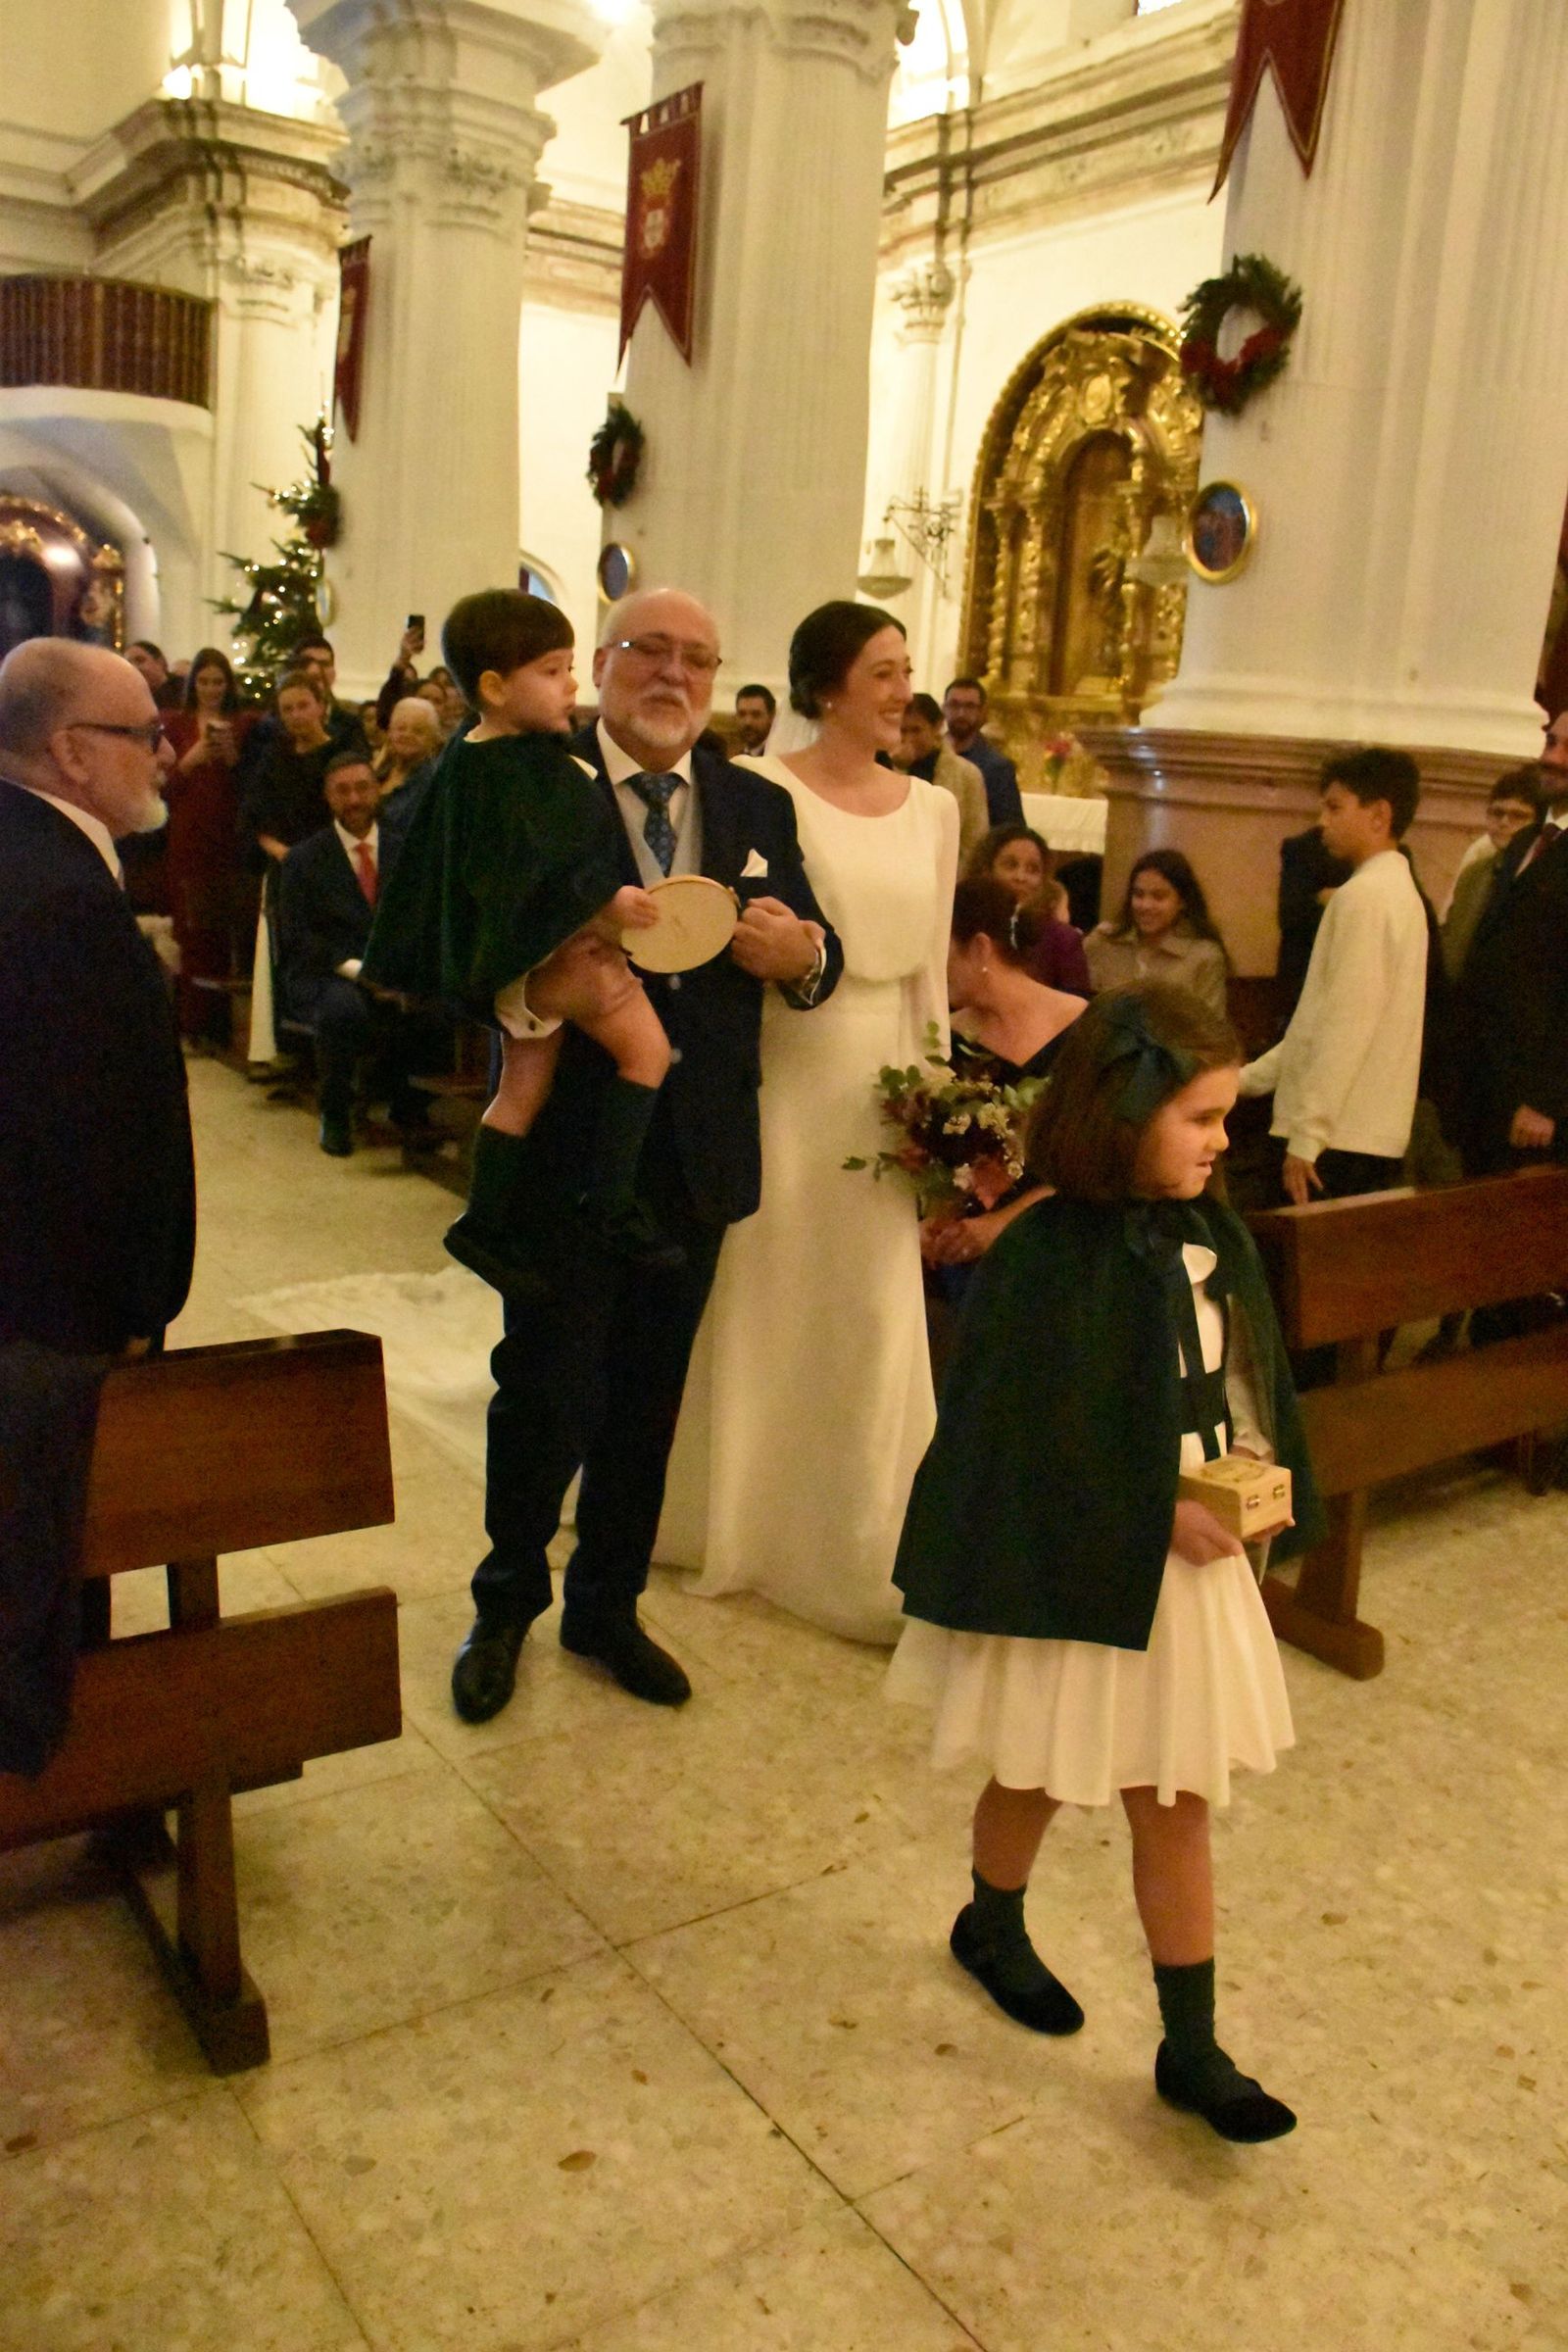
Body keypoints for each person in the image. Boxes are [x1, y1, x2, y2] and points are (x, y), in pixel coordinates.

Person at [888, 985, 1322, 2143]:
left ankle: (1193, 2049)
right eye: (1201, 1118)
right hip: (1078, 1568)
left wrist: (1256, 1463)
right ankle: (991, 1921)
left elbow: (1240, 1374)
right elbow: (1016, 1433)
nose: (1224, 1142)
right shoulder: (1043, 1259)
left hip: (1190, 1569)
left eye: (1227, 1117)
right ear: (1121, 1115)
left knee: (1174, 1799)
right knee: (1033, 1768)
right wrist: (1147, 1509)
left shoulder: (1211, 1232)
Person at [448, 586, 840, 1722]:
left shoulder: (754, 802)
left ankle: (606, 1605)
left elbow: (822, 953)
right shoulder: (529, 777)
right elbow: (469, 942)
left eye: (697, 660)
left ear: (718, 680)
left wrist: (797, 953)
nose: (672, 676)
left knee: (647, 1399)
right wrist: (535, 994)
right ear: (603, 664)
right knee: (545, 1385)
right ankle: (506, 1601)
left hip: (695, 1153)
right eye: (647, 652)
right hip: (572, 1143)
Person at [661, 599, 958, 1642]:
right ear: (827, 685)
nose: (901, 690)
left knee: (874, 1310)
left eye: (907, 669)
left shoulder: (934, 808)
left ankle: (862, 1535)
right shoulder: (759, 791)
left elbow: (929, 969)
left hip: (888, 1080)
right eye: (883, 670)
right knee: (766, 1287)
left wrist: (941, 1101)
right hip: (789, 1071)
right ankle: (736, 1511)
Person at [0, 640, 195, 1775]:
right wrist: (133, 1304)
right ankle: (50, 1772)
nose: (164, 749)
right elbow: (88, 1150)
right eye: (141, 731)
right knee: (41, 1570)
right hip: (46, 1321)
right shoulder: (61, 900)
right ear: (74, 753)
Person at [364, 590, 674, 1288]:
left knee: (522, 1090)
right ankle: (612, 1200)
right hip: (551, 961)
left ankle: (482, 1222)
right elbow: (518, 874)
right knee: (647, 1051)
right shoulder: (502, 772)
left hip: (515, 971)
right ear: (496, 688)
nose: (571, 683)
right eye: (553, 669)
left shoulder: (486, 758)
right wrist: (603, 904)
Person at [1240, 750, 1430, 1207]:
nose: (1322, 820)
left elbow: (1347, 1025)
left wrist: (1307, 1136)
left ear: (1379, 815)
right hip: (1359, 1134)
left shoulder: (1363, 898)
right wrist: (1245, 1081)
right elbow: (1320, 1023)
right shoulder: (1397, 892)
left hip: (1336, 1142)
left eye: (1335, 807)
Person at [920, 877, 1084, 1282]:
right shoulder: (947, 1037)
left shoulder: (1083, 1026)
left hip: (1067, 1239)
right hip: (970, 1257)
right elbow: (948, 1158)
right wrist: (939, 1218)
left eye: (939, 951)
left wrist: (1002, 1225)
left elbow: (1095, 1161)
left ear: (978, 948)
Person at [276, 753, 440, 1156]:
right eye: (343, 791)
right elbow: (298, 936)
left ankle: (410, 1108)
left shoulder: (406, 851)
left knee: (439, 1003)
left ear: (377, 790)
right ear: (328, 798)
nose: (354, 799)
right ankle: (334, 1113)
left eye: (363, 788)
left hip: (392, 967)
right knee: (343, 1008)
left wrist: (400, 969)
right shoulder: (304, 860)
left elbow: (423, 918)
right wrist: (363, 972)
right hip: (326, 971)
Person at [1449, 748, 1568, 1177]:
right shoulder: (1525, 842)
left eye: (1566, 748)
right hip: (1488, 1085)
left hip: (1540, 1103)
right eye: (1550, 742)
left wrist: (1547, 1100)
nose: (1551, 756)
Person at [162, 646, 253, 1042]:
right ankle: (192, 1022)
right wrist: (190, 759)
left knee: (222, 928)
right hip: (188, 833)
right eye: (204, 681)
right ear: (193, 683)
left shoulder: (244, 723)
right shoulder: (176, 725)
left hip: (227, 834)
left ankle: (221, 1024)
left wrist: (232, 757)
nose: (212, 689)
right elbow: (162, 786)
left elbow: (249, 787)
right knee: (190, 928)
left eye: (218, 681)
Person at [1085, 848, 1230, 1017]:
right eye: (1138, 895)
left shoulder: (1203, 956)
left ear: (1182, 902)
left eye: (1159, 897)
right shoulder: (1103, 942)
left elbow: (1210, 1030)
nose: (1145, 906)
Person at [1440, 767, 1541, 983]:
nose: (1504, 822)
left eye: (1518, 816)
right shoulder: (1475, 871)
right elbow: (1453, 942)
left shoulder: (1543, 875)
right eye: (1497, 813)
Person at [968, 823, 1091, 996]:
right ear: (987, 870)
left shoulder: (1063, 940)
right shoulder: (966, 928)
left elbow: (1076, 1009)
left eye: (1032, 869)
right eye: (1010, 865)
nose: (1021, 877)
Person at [897, 692, 989, 864]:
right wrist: (897, 767)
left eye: (916, 730)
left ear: (937, 727)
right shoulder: (884, 767)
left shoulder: (966, 774)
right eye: (902, 730)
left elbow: (975, 839)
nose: (908, 739)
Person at [1274, 822, 1350, 1022]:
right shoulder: (1303, 849)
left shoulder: (1395, 860)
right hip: (1308, 984)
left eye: (1334, 808)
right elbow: (1290, 917)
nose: (1324, 820)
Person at [943, 676, 1022, 828]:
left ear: (982, 711)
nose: (961, 713)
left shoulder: (997, 768)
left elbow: (1009, 827)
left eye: (969, 706)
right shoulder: (929, 755)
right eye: (954, 705)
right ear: (944, 708)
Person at [373, 693, 443, 833]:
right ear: (390, 732)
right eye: (401, 728)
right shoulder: (379, 770)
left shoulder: (433, 784)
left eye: (418, 731)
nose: (407, 735)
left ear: (433, 739)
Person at [124, 639, 183, 710]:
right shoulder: (129, 698)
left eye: (140, 660)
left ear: (159, 662)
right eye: (128, 663)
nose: (134, 668)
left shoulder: (183, 690)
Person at [734, 681, 775, 755]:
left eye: (756, 715)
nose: (748, 722)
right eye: (742, 714)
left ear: (771, 716)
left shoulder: (776, 758)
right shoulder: (735, 758)